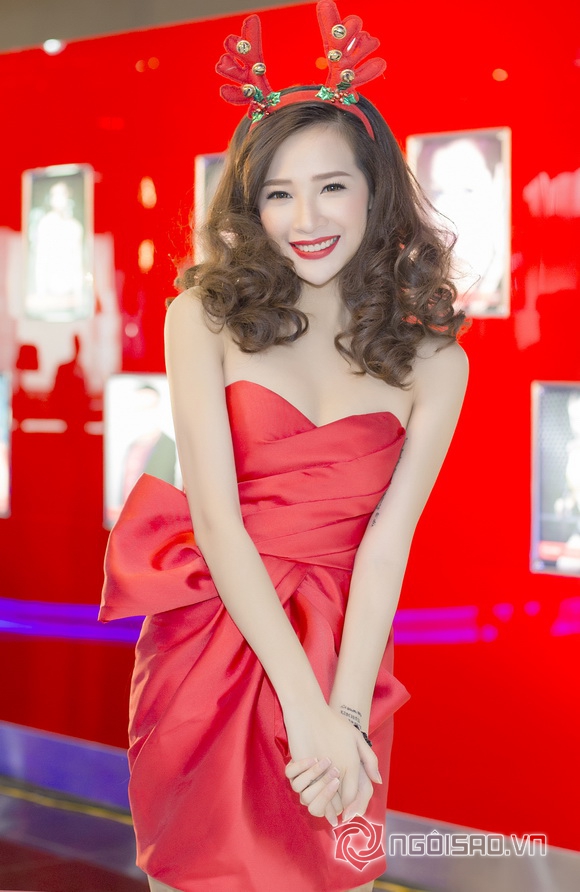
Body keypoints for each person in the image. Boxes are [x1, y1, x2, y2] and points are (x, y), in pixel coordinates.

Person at [100, 3, 468, 890]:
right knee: (194, 874)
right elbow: (217, 523)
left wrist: (346, 713)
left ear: (375, 191)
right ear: (251, 204)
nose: (306, 216)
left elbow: (387, 545)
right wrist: (304, 711)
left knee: (336, 872)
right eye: (277, 192)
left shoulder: (436, 362)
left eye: (331, 186)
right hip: (211, 642)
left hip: (346, 653)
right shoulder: (204, 318)